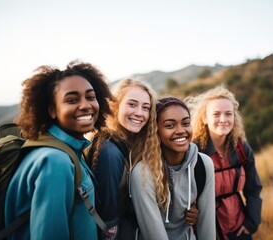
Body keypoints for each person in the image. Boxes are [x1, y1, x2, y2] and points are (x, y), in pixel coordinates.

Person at [4, 60, 113, 240]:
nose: (86, 105)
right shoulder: (55, 161)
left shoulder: (69, 151)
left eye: (91, 97)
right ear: (52, 110)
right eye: (72, 100)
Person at [86, 79, 198, 240]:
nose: (139, 113)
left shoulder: (136, 144)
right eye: (132, 104)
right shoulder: (110, 153)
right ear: (116, 106)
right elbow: (108, 221)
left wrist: (186, 209)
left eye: (145, 107)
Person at [130, 97, 216, 240]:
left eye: (186, 123)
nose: (181, 130)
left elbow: (207, 226)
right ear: (156, 131)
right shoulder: (143, 174)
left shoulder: (203, 164)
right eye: (170, 125)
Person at [190, 84, 262, 240]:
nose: (223, 119)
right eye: (216, 114)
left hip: (238, 227)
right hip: (207, 230)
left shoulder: (241, 147)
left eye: (228, 114)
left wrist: (251, 222)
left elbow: (253, 188)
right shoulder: (193, 152)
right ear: (205, 118)